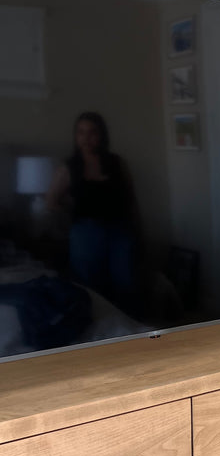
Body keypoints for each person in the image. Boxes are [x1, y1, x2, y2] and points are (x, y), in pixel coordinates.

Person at [47, 112, 141, 315]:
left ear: (101, 135)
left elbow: (131, 198)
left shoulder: (117, 163)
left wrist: (137, 229)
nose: (86, 138)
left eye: (92, 132)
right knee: (89, 285)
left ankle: (129, 333)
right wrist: (72, 212)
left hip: (120, 230)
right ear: (75, 136)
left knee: (125, 283)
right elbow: (51, 200)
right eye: (81, 132)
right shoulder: (69, 167)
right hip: (87, 232)